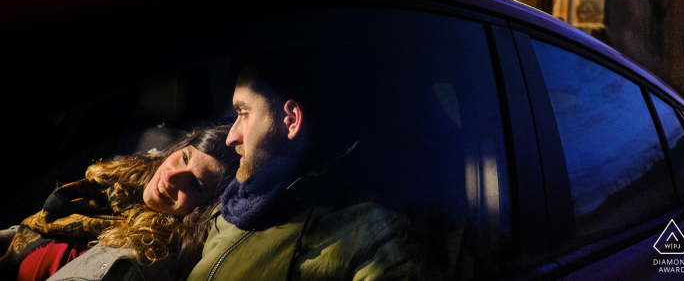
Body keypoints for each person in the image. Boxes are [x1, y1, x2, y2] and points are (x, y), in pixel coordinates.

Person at [186, 52, 425, 281]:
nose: (231, 137)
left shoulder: (371, 237)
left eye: (244, 114)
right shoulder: (230, 207)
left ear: (290, 120)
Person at [0, 124, 239, 281]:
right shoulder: (122, 182)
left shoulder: (147, 257)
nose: (170, 177)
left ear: (204, 208)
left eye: (195, 184)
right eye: (184, 157)